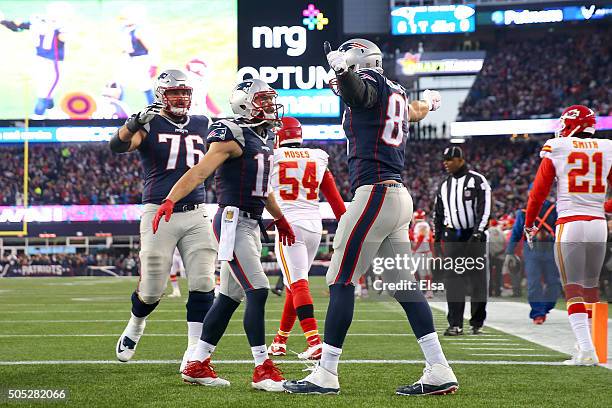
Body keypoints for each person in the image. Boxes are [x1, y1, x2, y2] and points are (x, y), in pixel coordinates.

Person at [283, 38, 457, 396]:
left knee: (340, 279)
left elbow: (358, 93)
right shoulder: (396, 91)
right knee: (404, 286)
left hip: (375, 192)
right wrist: (432, 104)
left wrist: (344, 72)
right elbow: (415, 111)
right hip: (397, 197)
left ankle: (326, 372)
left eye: (347, 66)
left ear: (360, 63)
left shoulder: (372, 84)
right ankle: (439, 368)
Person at [153, 78, 296, 391]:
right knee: (257, 290)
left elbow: (264, 187)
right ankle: (262, 368)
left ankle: (197, 363)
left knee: (230, 296)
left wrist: (280, 219)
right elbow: (200, 171)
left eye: (270, 99)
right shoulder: (232, 134)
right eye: (262, 100)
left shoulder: (265, 134)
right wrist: (170, 199)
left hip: (251, 222)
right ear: (244, 103)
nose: (270, 105)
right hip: (233, 221)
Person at [110, 69, 217, 374]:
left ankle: (194, 352)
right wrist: (132, 124)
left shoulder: (202, 122)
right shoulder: (150, 123)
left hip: (196, 210)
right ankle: (136, 324)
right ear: (161, 95)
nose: (181, 97)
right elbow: (116, 147)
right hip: (158, 210)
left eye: (184, 92)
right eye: (174, 93)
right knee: (153, 287)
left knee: (203, 282)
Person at [524, 105, 611, 365]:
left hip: (570, 223)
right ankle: (591, 345)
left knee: (572, 288)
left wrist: (530, 223)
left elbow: (538, 192)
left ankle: (586, 350)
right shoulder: (607, 147)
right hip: (598, 225)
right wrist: (600, 206)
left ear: (573, 124)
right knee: (590, 287)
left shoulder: (558, 147)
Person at [267, 116, 346, 360]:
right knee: (294, 283)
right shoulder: (318, 156)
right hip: (314, 225)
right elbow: (334, 199)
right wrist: (346, 225)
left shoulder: (273, 157)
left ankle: (314, 341)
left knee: (298, 282)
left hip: (290, 224)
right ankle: (280, 341)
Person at [433, 146, 491, 336]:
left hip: (473, 236)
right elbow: (438, 214)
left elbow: (485, 208)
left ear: (460, 160)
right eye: (444, 160)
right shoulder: (444, 185)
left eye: (449, 160)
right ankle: (455, 324)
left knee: (477, 281)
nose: (446, 163)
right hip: (453, 236)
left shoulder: (477, 180)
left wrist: (477, 233)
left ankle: (477, 323)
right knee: (453, 282)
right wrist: (438, 239)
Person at [0, 1, 73, 118]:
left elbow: (17, 27)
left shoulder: (37, 21)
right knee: (45, 94)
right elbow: (63, 38)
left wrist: (3, 21)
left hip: (38, 61)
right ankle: (37, 118)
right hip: (54, 63)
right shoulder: (59, 26)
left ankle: (50, 112)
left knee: (47, 92)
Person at [505, 195, 561, 324]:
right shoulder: (524, 211)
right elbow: (516, 232)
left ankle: (545, 307)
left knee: (554, 282)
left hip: (550, 248)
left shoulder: (554, 209)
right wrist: (509, 252)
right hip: (531, 249)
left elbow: (560, 228)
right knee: (533, 282)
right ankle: (538, 313)